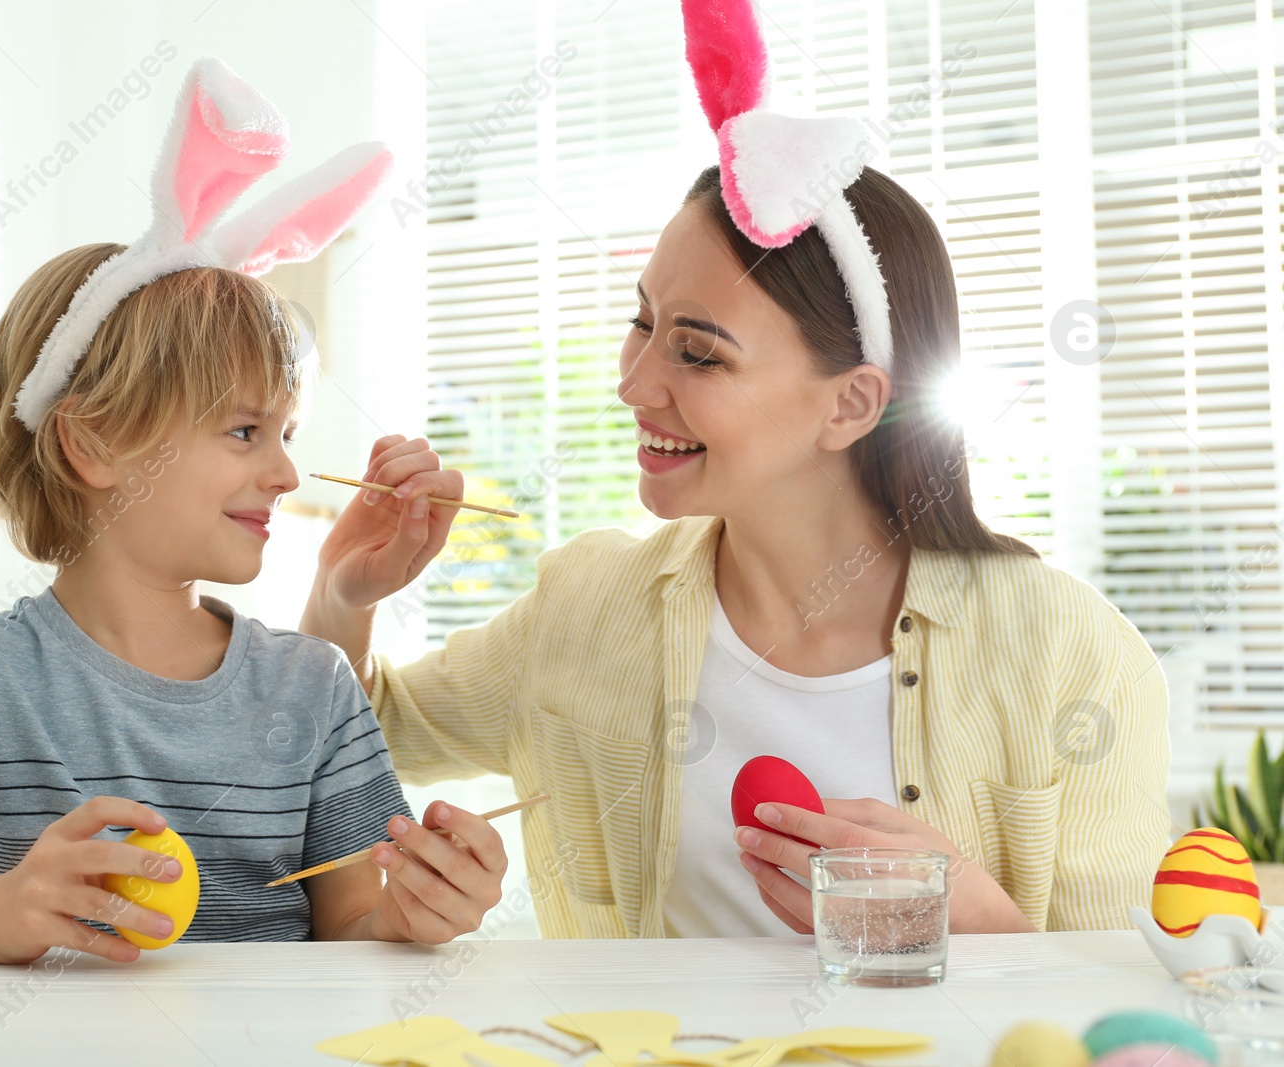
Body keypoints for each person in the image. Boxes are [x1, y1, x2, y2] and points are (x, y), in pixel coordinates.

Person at [297, 0, 1169, 937]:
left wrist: (974, 919)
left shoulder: (1070, 652)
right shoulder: (587, 610)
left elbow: (1124, 1016)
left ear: (851, 404)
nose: (634, 383)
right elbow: (351, 739)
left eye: (699, 353)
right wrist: (345, 596)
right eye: (642, 323)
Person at [0, 57, 506, 963]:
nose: (287, 475)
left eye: (288, 431)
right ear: (93, 443)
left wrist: (423, 908)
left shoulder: (315, 687)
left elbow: (354, 924)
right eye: (245, 430)